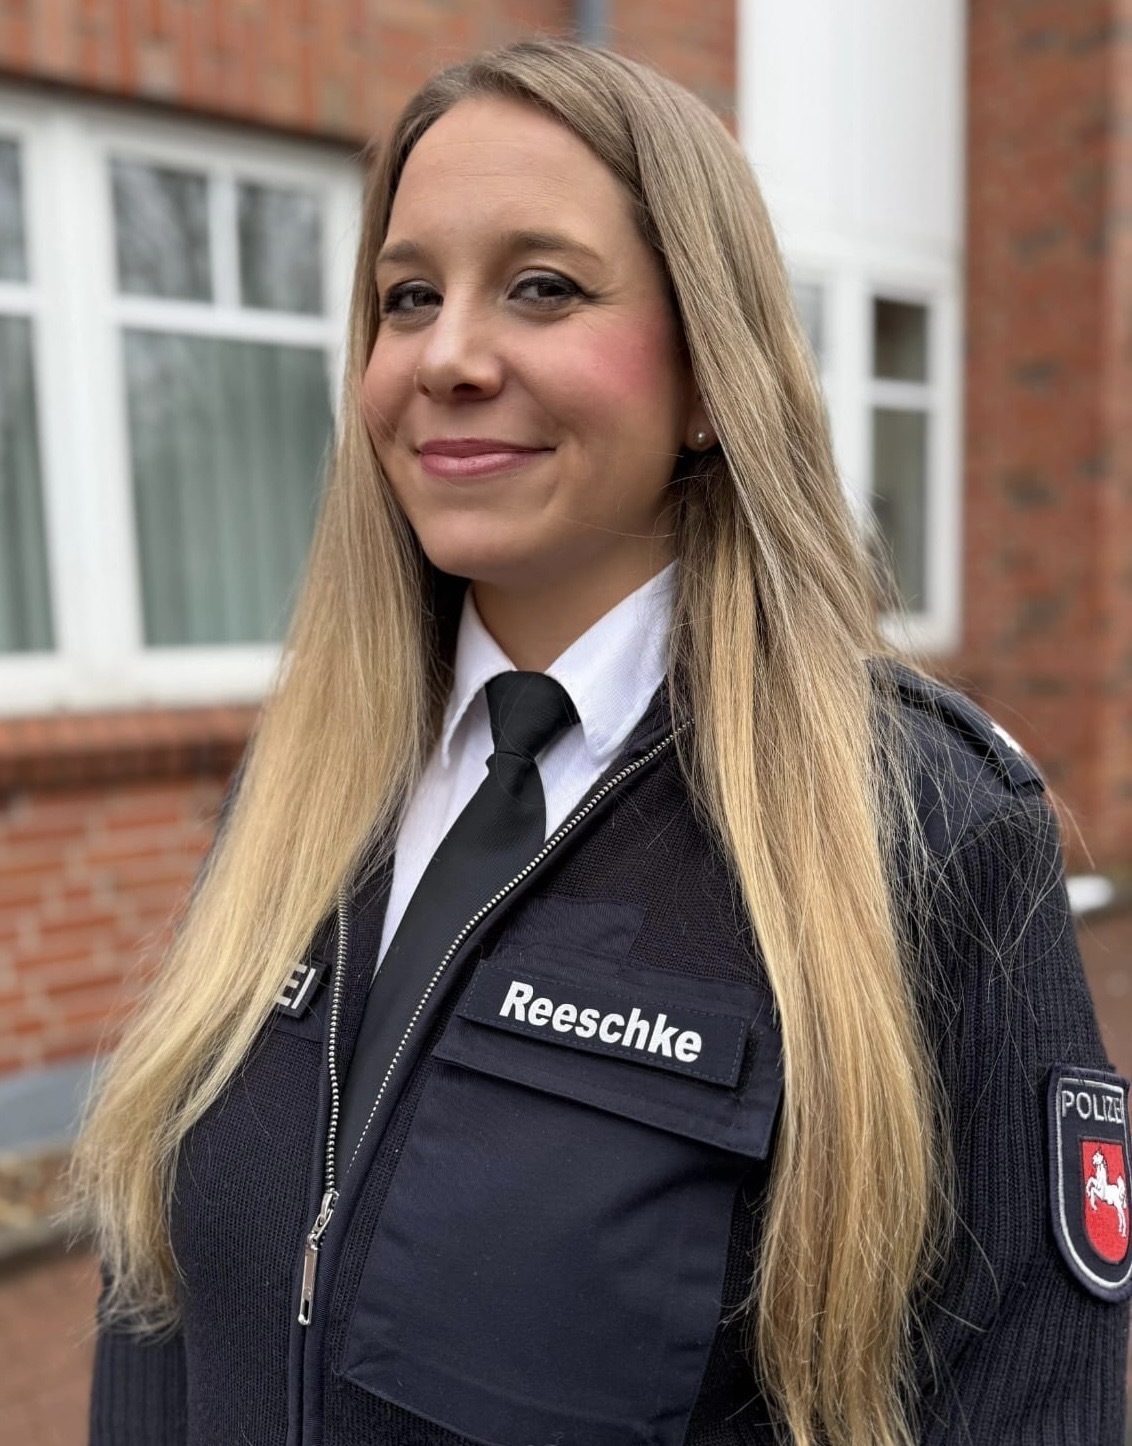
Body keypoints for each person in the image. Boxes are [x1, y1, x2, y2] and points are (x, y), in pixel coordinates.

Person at [73, 37, 1130, 1446]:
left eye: (543, 288)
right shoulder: (296, 793)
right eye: (407, 297)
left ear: (707, 376)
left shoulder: (922, 835)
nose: (448, 356)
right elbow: (156, 1305)